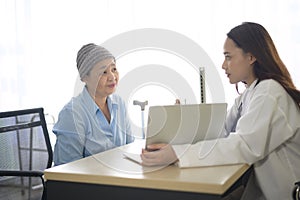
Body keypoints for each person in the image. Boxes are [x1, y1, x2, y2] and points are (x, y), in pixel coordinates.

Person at [141, 22, 300, 200]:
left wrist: (178, 155)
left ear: (251, 57)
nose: (223, 65)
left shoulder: (269, 92)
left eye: (228, 57)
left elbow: (244, 146)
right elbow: (221, 131)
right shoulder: (251, 93)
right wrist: (178, 129)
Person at [53, 43, 134, 166]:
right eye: (103, 72)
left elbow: (129, 147)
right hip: (88, 183)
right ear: (85, 77)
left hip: (118, 177)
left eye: (114, 69)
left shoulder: (119, 104)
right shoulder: (72, 113)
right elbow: (68, 169)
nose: (112, 77)